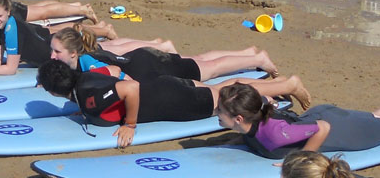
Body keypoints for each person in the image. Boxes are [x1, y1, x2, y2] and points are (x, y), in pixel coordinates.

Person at [36, 60, 310, 147]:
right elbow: (111, 70)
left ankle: (288, 85)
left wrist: (130, 124)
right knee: (221, 90)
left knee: (226, 97)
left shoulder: (88, 100)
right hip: (163, 86)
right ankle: (280, 84)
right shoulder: (85, 77)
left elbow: (129, 88)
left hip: (172, 99)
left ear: (55, 92)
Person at [215, 83, 380, 160]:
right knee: (376, 116)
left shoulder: (275, 134)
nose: (216, 113)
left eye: (220, 111)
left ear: (238, 118)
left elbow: (323, 130)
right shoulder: (254, 112)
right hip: (319, 117)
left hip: (336, 128)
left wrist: (302, 160)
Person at [0, 0, 122, 75]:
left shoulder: (10, 28)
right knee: (109, 48)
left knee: (110, 52)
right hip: (51, 47)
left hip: (58, 52)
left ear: (8, 12)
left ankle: (149, 44)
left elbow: (10, 69)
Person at [50, 24, 281, 82]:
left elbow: (122, 77)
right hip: (145, 58)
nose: (51, 56)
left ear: (73, 53)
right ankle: (246, 52)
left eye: (56, 51)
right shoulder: (85, 58)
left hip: (152, 66)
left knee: (209, 70)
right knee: (198, 59)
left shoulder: (88, 64)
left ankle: (257, 59)